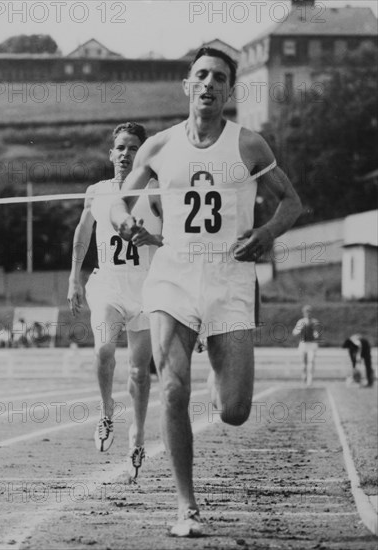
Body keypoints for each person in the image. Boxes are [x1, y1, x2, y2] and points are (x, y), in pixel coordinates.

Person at [110, 47, 302, 536]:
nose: (209, 84)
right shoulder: (158, 146)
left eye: (219, 77)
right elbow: (119, 202)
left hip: (230, 274)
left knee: (234, 411)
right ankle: (186, 508)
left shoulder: (250, 145)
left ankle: (220, 368)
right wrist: (126, 221)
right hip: (174, 274)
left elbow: (293, 203)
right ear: (186, 85)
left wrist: (268, 233)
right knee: (173, 389)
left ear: (230, 90)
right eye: (201, 75)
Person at [67, 122, 162, 479]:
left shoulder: (155, 191)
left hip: (146, 289)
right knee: (103, 349)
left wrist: (151, 237)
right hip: (108, 284)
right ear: (111, 153)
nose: (125, 154)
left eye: (133, 148)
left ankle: (137, 433)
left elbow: (174, 238)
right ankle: (107, 411)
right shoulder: (97, 191)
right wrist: (74, 276)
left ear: (143, 155)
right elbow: (83, 232)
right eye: (120, 147)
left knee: (139, 370)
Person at [292, 305, 321, 386]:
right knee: (303, 364)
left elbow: (317, 332)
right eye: (306, 312)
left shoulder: (315, 321)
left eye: (309, 312)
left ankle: (310, 379)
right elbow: (294, 332)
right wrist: (298, 330)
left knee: (311, 362)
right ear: (303, 313)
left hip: (312, 344)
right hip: (303, 345)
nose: (307, 313)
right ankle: (304, 375)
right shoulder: (301, 322)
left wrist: (316, 334)